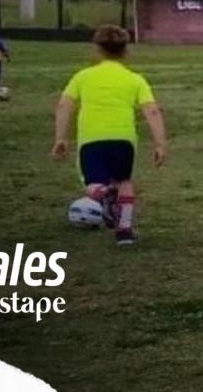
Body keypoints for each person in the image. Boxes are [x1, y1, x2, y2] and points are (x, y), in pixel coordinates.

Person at [52, 25, 168, 246]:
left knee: (93, 183)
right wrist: (160, 144)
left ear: (96, 49)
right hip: (123, 140)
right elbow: (152, 110)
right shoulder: (134, 79)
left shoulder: (83, 76)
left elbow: (64, 105)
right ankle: (124, 231)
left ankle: (103, 193)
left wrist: (61, 138)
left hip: (92, 138)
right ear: (126, 50)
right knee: (124, 180)